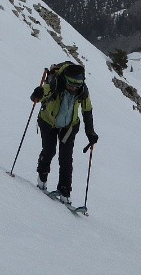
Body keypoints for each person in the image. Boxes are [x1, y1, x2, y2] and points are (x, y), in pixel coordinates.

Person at [30, 61, 98, 200]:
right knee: (49, 151)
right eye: (71, 84)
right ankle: (42, 178)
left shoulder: (83, 91)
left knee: (66, 159)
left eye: (76, 85)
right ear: (65, 80)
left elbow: (87, 111)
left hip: (69, 127)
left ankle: (65, 191)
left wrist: (90, 133)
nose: (73, 88)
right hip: (48, 122)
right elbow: (41, 94)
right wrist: (37, 94)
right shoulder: (55, 84)